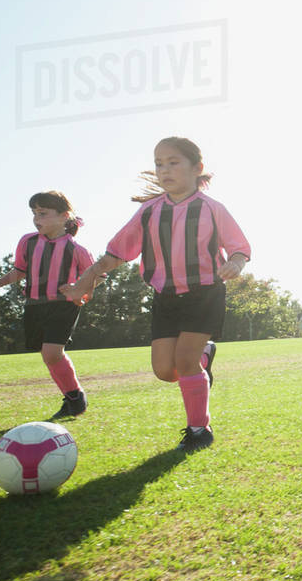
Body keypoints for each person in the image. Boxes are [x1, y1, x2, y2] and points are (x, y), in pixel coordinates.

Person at [64, 137, 250, 453]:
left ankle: (199, 430)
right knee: (166, 371)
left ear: (197, 168)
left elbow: (240, 247)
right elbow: (116, 254)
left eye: (173, 162)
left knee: (186, 362)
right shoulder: (149, 212)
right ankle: (205, 356)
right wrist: (84, 282)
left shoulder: (212, 209)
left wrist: (235, 262)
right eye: (159, 163)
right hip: (165, 297)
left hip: (204, 293)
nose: (164, 169)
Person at [0, 191, 94, 421]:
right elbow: (19, 271)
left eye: (43, 213)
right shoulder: (27, 242)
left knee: (52, 353)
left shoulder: (76, 249)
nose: (36, 218)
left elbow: (96, 275)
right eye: (34, 213)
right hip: (34, 305)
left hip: (63, 305)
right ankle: (71, 397)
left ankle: (76, 397)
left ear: (64, 216)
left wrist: (79, 289)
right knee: (47, 355)